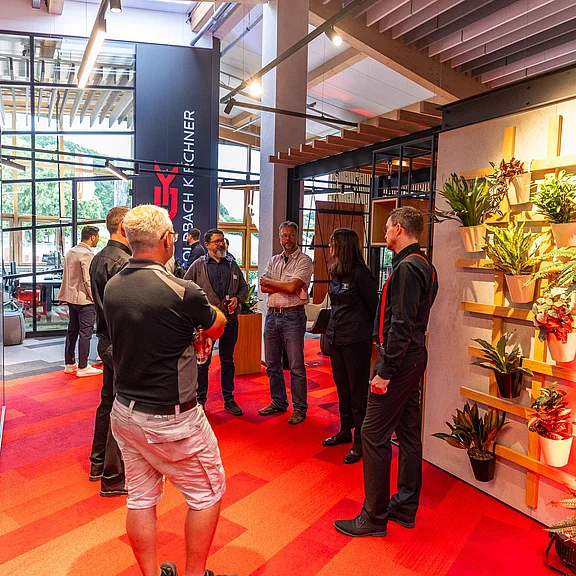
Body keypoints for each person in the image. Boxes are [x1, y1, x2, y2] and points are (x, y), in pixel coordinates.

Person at [105, 205, 231, 576]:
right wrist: (200, 331)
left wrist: (186, 334)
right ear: (166, 240)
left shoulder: (113, 287)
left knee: (140, 498)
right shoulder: (181, 290)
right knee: (207, 493)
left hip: (124, 411)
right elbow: (218, 323)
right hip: (171, 419)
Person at [334, 207, 438, 538]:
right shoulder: (424, 265)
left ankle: (374, 516)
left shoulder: (408, 267)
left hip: (400, 361)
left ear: (399, 229)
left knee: (372, 433)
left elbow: (402, 325)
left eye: (388, 226)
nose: (385, 231)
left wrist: (385, 371)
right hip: (411, 358)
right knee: (407, 432)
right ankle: (404, 507)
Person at [323, 228, 378, 464]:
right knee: (342, 387)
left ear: (343, 246)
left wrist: (373, 338)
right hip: (336, 337)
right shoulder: (336, 271)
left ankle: (360, 441)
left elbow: (374, 307)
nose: (330, 247)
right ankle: (345, 430)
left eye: (333, 243)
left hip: (356, 340)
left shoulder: (361, 274)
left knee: (358, 392)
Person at [88, 206, 131, 496]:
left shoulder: (99, 257)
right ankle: (113, 478)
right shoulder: (124, 262)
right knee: (121, 407)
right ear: (124, 226)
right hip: (121, 343)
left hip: (105, 340)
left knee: (107, 403)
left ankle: (97, 464)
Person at [184, 229, 248, 416]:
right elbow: (185, 289)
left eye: (223, 240)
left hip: (230, 321)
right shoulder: (198, 266)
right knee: (203, 363)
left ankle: (229, 399)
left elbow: (243, 288)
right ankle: (200, 401)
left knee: (228, 361)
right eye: (217, 241)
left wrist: (237, 299)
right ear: (207, 245)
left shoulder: (232, 264)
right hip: (206, 324)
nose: (221, 244)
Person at [258, 221, 313, 425]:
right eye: (284, 235)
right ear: (279, 238)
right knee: (272, 364)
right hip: (272, 315)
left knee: (296, 365)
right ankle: (278, 401)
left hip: (293, 316)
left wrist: (276, 284)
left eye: (291, 235)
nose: (288, 239)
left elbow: (293, 287)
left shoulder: (305, 260)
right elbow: (263, 287)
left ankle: (300, 407)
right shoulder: (274, 260)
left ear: (297, 236)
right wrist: (286, 285)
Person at [58, 225, 103, 378]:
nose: (98, 240)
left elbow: (66, 276)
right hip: (85, 300)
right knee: (85, 333)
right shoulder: (87, 254)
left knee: (72, 331)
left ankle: (70, 363)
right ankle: (83, 366)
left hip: (72, 299)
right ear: (92, 237)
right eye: (97, 237)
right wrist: (95, 298)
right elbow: (88, 279)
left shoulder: (71, 252)